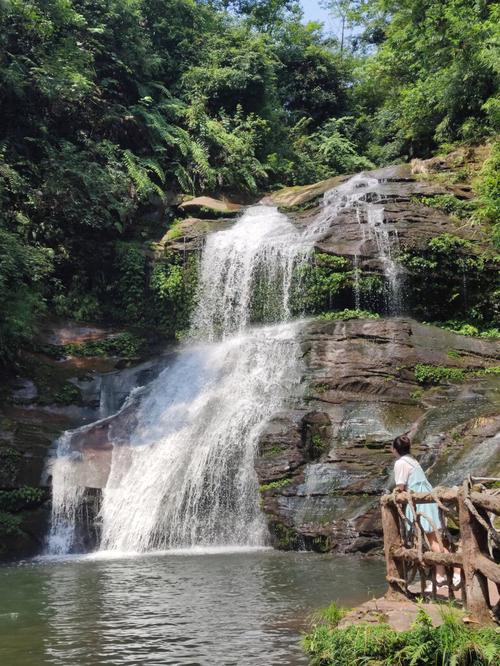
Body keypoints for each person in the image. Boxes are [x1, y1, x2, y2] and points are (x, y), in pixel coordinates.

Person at [391, 434, 460, 590]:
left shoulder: (401, 462)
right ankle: (441, 575)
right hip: (426, 498)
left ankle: (455, 571)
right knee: (435, 540)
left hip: (420, 502)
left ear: (394, 449)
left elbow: (400, 486)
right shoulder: (412, 460)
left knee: (433, 541)